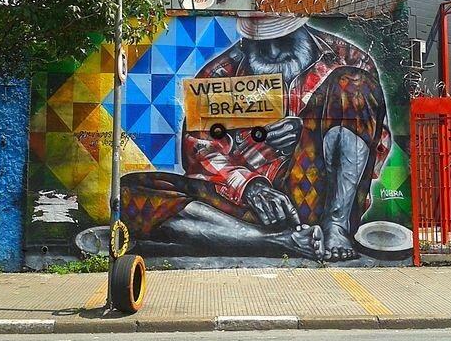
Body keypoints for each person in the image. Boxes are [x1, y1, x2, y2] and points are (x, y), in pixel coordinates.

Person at [119, 16, 391, 261]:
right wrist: (250, 186)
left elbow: (377, 144)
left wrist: (312, 133)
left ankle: (336, 227)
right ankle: (278, 241)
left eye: (281, 40)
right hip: (247, 206)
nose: (272, 52)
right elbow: (200, 151)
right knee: (129, 192)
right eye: (260, 44)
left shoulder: (350, 60)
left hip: (317, 198)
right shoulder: (220, 73)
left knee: (353, 83)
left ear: (301, 29)